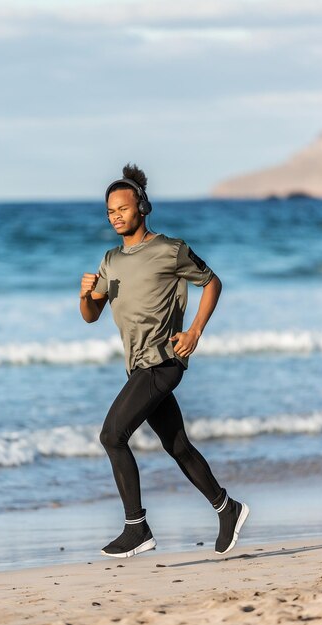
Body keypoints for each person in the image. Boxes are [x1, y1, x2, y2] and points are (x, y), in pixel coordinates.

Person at [79, 163, 249, 559]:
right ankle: (228, 509)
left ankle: (136, 527)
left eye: (122, 208)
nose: (116, 216)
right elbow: (91, 315)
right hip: (138, 366)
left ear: (142, 207)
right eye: (110, 211)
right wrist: (86, 295)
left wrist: (194, 332)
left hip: (163, 361)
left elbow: (212, 282)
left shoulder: (170, 249)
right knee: (178, 446)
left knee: (112, 435)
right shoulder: (110, 260)